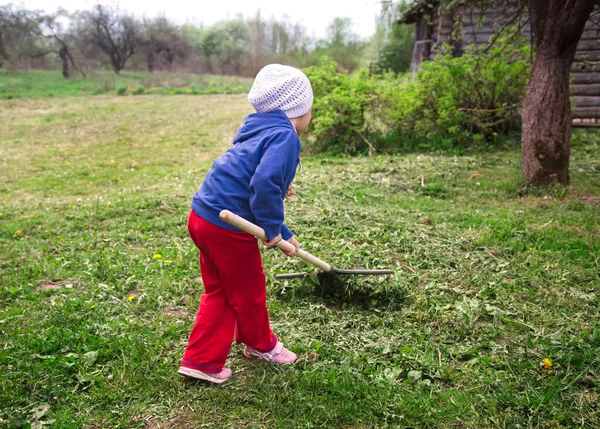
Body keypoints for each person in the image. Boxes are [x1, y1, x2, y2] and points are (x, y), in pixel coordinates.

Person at [177, 64, 313, 384]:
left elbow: (255, 177)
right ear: (298, 109)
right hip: (227, 226)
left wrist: (284, 233)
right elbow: (263, 186)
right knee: (249, 290)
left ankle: (203, 359)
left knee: (222, 290)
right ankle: (260, 345)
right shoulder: (285, 136)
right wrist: (274, 230)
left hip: (203, 215)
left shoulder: (258, 128)